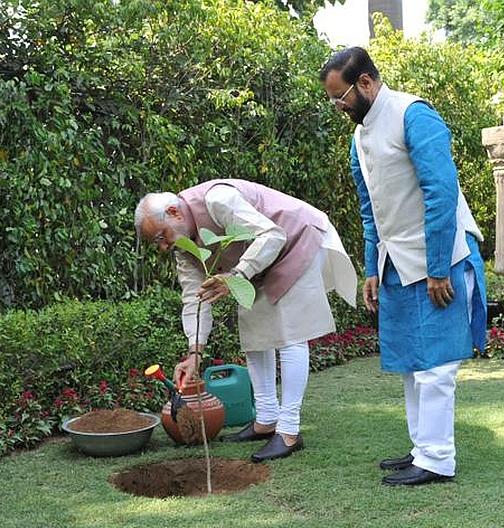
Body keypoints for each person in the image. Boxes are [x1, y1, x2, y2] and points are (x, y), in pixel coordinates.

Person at [320, 47, 487, 486]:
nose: (338, 108)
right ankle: (422, 450)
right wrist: (372, 267)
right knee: (414, 362)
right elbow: (369, 208)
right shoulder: (360, 138)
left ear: (366, 83)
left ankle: (438, 459)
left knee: (437, 364)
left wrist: (437, 269)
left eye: (341, 98)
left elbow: (441, 192)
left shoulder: (414, 114)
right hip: (397, 260)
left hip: (441, 256)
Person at [134, 179, 357, 462]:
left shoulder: (218, 200)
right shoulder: (184, 249)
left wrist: (237, 276)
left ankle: (288, 430)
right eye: (158, 243)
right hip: (258, 264)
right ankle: (266, 419)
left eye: (161, 237)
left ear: (174, 212)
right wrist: (194, 353)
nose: (164, 247)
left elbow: (272, 236)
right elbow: (194, 298)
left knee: (290, 335)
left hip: (295, 240)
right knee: (254, 334)